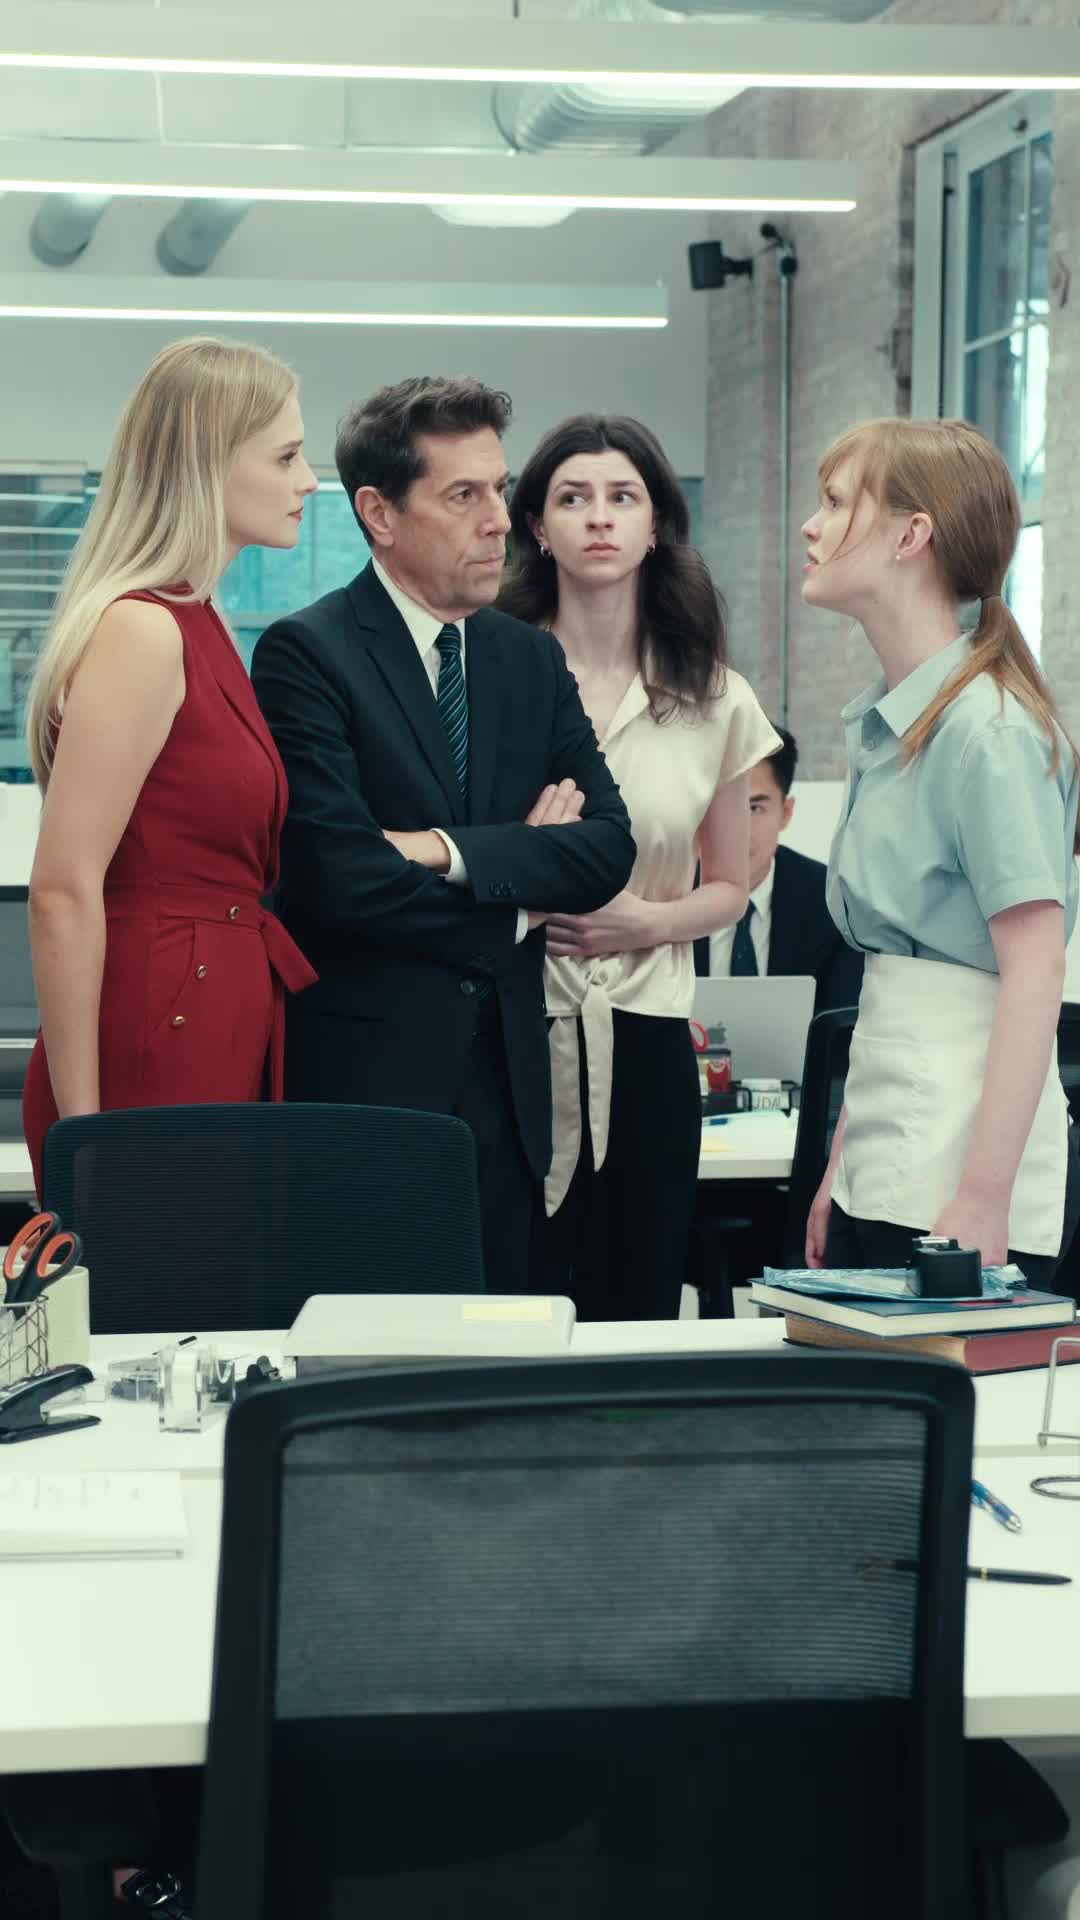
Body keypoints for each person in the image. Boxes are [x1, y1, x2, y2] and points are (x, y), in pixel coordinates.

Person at [251, 378, 635, 1292]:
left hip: (509, 1095)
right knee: (367, 1359)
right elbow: (341, 878)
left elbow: (606, 848)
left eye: (499, 488)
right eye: (463, 495)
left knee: (494, 1357)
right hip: (367, 1093)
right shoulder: (307, 654)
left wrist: (442, 849)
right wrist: (521, 896)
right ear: (379, 513)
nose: (499, 520)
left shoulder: (527, 657)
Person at [22, 337, 319, 1199]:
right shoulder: (144, 630)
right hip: (161, 1020)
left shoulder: (204, 622)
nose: (308, 481)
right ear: (207, 465)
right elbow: (63, 888)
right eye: (287, 457)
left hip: (212, 1005)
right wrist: (84, 1133)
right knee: (153, 1270)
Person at [499, 412, 779, 1320]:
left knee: (639, 1305)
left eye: (623, 497)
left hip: (650, 1037)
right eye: (572, 497)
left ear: (656, 524)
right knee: (513, 1301)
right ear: (538, 527)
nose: (598, 517)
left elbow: (731, 885)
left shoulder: (714, 694)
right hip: (514, 1030)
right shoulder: (488, 675)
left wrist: (646, 922)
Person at [802, 416, 1080, 1286]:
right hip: (885, 1154)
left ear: (910, 536)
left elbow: (1036, 969)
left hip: (962, 1169)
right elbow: (896, 988)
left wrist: (985, 1196)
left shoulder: (987, 730)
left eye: (835, 502)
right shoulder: (892, 723)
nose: (811, 526)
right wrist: (840, 1169)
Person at [694, 726, 864, 1014]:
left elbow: (837, 1024)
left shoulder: (831, 903)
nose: (737, 830)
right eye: (719, 806)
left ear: (786, 813)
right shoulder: (663, 895)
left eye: (755, 809)